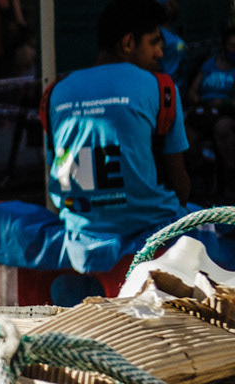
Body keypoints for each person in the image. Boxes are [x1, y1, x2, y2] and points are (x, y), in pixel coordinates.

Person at [45, 0, 189, 279]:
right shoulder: (161, 87)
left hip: (80, 234)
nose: (161, 52)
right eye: (154, 42)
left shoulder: (56, 92)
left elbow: (58, 174)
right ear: (127, 43)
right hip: (150, 229)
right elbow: (179, 179)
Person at [187, 25, 235, 193]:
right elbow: (192, 91)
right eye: (232, 46)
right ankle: (204, 172)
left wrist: (224, 104)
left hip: (225, 113)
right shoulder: (209, 65)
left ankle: (230, 179)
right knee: (186, 134)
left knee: (223, 129)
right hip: (204, 111)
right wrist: (196, 98)